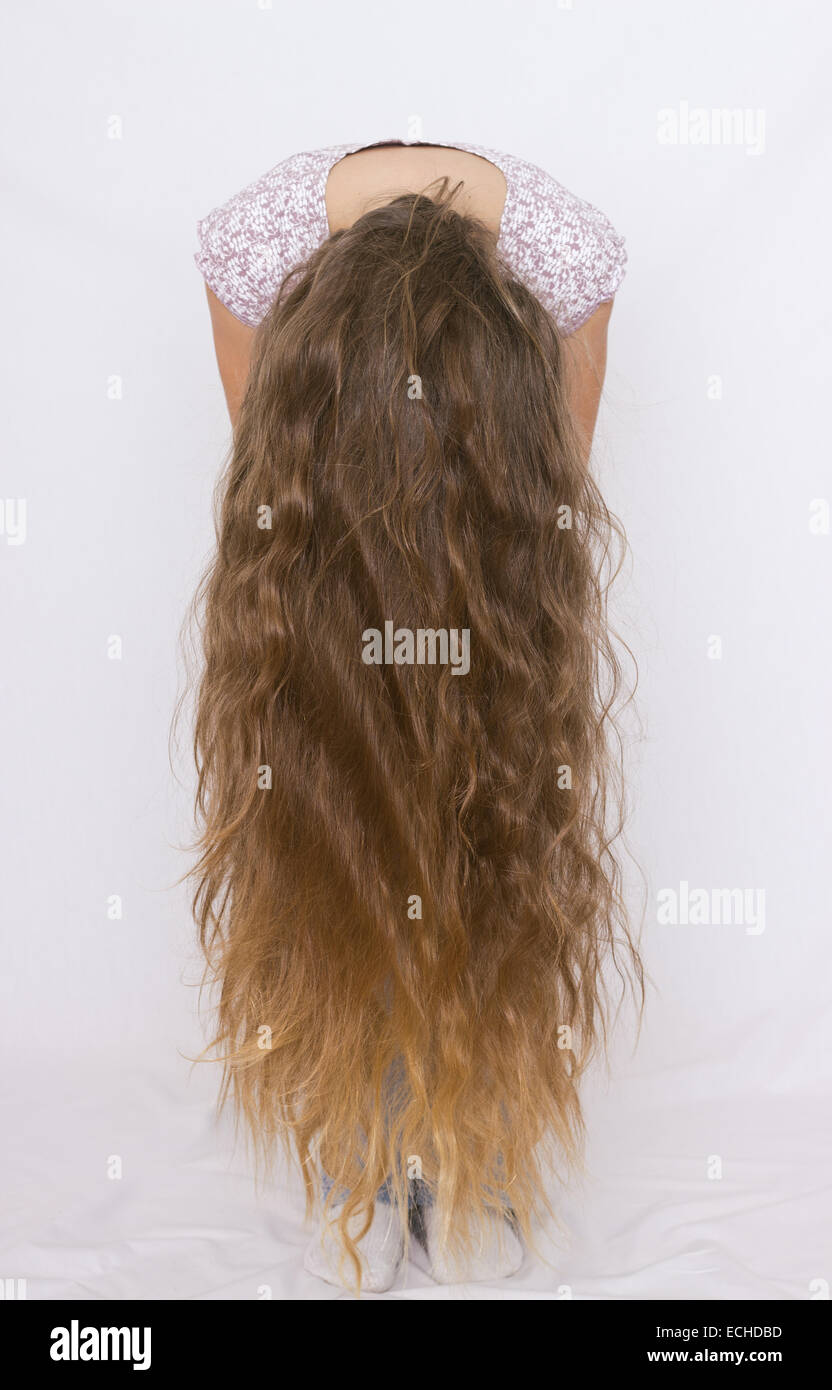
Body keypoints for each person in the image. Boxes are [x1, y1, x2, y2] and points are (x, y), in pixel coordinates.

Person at [189, 137, 641, 1293]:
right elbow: (587, 265)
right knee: (412, 900)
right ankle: (422, 1160)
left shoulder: (281, 463)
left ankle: (420, 1159)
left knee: (398, 903)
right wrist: (447, 177)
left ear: (305, 407)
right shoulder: (537, 478)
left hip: (406, 694)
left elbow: (231, 248)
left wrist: (386, 178)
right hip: (386, 693)